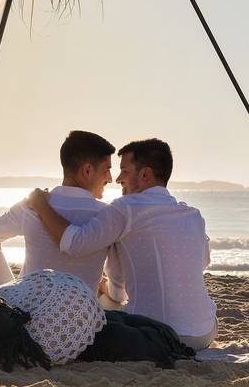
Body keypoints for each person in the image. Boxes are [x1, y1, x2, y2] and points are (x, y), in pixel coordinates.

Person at [27, 138, 218, 350]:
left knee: (104, 312)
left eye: (124, 171)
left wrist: (40, 205)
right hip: (205, 331)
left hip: (159, 334)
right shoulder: (193, 214)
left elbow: (75, 243)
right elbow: (200, 263)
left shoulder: (125, 208)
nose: (117, 179)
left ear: (145, 174)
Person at [0, 130, 115, 295]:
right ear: (87, 171)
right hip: (80, 314)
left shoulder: (30, 205)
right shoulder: (108, 215)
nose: (110, 178)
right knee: (108, 296)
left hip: (25, 310)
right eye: (106, 169)